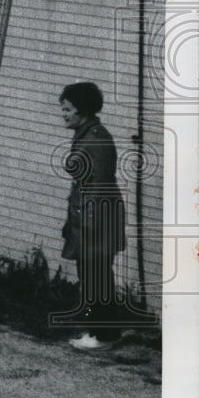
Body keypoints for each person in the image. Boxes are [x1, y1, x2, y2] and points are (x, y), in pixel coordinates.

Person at [58, 82, 126, 350]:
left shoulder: (95, 139)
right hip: (89, 217)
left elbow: (98, 187)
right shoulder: (87, 134)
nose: (64, 114)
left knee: (96, 276)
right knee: (93, 276)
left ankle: (103, 335)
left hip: (96, 219)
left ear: (82, 110)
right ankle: (103, 332)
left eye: (68, 109)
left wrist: (86, 226)